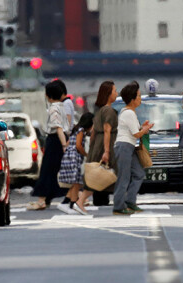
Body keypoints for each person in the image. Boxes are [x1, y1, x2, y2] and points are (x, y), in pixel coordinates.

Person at [113, 81, 154, 215]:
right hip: (124, 146)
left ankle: (130, 201)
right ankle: (118, 206)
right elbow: (136, 134)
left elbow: (136, 130)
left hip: (129, 146)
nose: (140, 98)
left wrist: (143, 128)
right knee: (124, 177)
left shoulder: (130, 113)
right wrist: (144, 129)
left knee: (139, 173)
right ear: (132, 99)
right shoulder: (128, 113)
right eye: (139, 96)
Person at [28, 80, 70, 210]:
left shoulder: (53, 108)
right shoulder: (63, 106)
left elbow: (58, 128)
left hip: (55, 140)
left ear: (48, 95)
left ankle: (41, 201)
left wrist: (64, 145)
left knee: (47, 170)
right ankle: (46, 199)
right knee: (58, 170)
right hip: (62, 139)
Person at [77, 81, 118, 208]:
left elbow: (94, 131)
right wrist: (106, 151)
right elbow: (107, 130)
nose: (116, 93)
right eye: (114, 91)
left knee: (98, 173)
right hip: (105, 145)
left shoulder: (99, 110)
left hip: (97, 145)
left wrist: (93, 148)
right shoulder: (109, 110)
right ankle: (83, 200)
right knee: (106, 172)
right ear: (108, 94)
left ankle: (96, 199)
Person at [57, 112, 94, 215]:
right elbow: (78, 145)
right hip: (75, 157)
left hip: (69, 156)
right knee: (77, 182)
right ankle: (73, 204)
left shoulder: (75, 129)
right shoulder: (81, 130)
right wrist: (86, 154)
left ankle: (67, 202)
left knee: (75, 182)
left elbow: (68, 143)